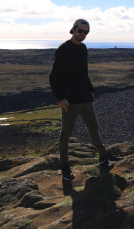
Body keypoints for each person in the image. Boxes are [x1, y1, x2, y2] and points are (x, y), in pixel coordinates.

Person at [49, 19, 119, 181]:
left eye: (86, 32)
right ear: (73, 29)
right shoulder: (64, 49)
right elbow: (54, 76)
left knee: (94, 128)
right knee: (65, 134)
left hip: (85, 98)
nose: (82, 34)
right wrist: (60, 98)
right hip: (70, 101)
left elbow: (83, 72)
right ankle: (65, 167)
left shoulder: (83, 48)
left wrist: (90, 89)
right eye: (80, 31)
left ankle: (103, 158)